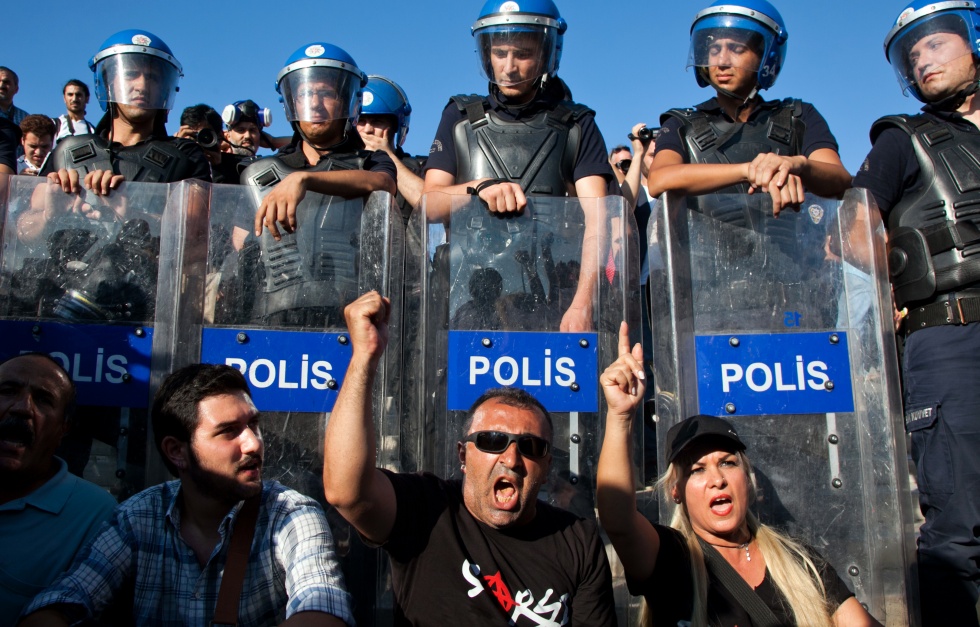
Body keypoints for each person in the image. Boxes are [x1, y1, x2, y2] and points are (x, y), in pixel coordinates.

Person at [322, 291, 617, 626]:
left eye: (531, 447)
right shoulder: (427, 509)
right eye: (492, 441)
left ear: (548, 467)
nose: (511, 458)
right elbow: (346, 491)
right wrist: (364, 359)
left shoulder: (577, 540)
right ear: (463, 454)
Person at [19, 363, 353, 626]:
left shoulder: (289, 514)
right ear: (176, 451)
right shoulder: (139, 518)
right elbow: (63, 601)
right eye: (228, 432)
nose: (253, 443)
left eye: (253, 425)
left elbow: (323, 609)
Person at [595, 324, 879, 627]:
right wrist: (620, 416)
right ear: (676, 491)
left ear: (748, 479)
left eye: (728, 463)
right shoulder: (672, 559)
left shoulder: (799, 561)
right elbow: (618, 519)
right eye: (697, 470)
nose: (717, 479)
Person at [853, 2, 980, 624]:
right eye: (912, 55)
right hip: (950, 335)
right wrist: (896, 281)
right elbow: (851, 231)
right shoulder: (903, 139)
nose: (922, 60)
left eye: (935, 45)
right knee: (958, 529)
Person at [421, 0, 616, 332]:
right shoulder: (458, 117)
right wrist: (478, 188)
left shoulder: (577, 123)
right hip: (466, 299)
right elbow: (430, 204)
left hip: (551, 300)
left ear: (547, 54)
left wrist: (582, 304)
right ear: (487, 54)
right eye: (500, 53)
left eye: (523, 54)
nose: (509, 67)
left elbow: (599, 221)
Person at [648, 0, 850, 217]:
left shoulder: (798, 116)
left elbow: (840, 178)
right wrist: (749, 170)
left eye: (737, 49)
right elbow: (659, 179)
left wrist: (797, 165)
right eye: (714, 50)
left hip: (790, 240)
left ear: (767, 56)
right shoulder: (681, 122)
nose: (722, 61)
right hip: (702, 240)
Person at [0, 354, 116, 626]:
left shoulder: (97, 516)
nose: (22, 408)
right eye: (8, 391)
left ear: (64, 428)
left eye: (43, 400)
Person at [248, 42, 395, 240]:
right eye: (305, 94)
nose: (315, 104)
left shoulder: (371, 161)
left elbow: (384, 183)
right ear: (292, 104)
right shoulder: (263, 171)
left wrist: (304, 179)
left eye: (326, 94)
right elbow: (240, 240)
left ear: (347, 102)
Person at [39, 29, 210, 192]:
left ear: (165, 90)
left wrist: (125, 205)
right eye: (130, 75)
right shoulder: (67, 151)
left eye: (153, 78)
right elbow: (29, 209)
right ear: (107, 85)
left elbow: (196, 212)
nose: (142, 86)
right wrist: (54, 201)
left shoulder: (185, 155)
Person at [357, 75, 424, 222]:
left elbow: (430, 206)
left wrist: (388, 157)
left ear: (396, 128)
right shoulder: (337, 164)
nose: (368, 130)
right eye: (360, 121)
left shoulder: (419, 168)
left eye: (377, 122)